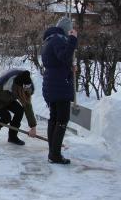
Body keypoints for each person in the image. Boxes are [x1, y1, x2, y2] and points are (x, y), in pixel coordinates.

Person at [41, 17, 78, 164]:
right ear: (66, 29)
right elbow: (64, 56)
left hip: (53, 83)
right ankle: (54, 155)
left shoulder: (51, 39)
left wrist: (70, 67)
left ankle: (53, 151)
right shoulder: (58, 39)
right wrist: (73, 40)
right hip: (59, 85)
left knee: (55, 118)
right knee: (62, 119)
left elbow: (59, 60)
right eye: (70, 29)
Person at [0, 69, 37, 145]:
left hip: (9, 100)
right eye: (22, 91)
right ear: (17, 87)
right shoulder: (3, 82)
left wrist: (33, 127)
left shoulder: (27, 86)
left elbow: (27, 106)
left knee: (19, 111)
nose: (24, 93)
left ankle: (12, 137)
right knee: (6, 117)